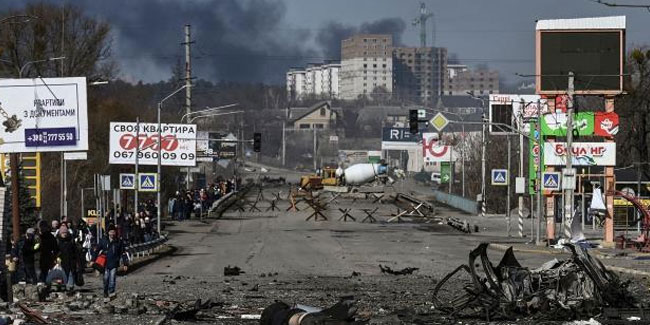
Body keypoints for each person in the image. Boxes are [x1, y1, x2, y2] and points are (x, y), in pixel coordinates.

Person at [97, 225, 127, 298]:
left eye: (113, 232)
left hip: (114, 263)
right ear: (108, 232)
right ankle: (105, 291)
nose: (112, 233)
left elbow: (123, 253)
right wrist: (93, 260)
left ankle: (111, 292)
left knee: (112, 279)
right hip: (105, 263)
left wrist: (125, 263)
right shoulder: (103, 240)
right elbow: (97, 250)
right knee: (106, 278)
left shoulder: (119, 241)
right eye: (111, 232)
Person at [56, 225, 78, 292]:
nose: (64, 234)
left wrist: (76, 260)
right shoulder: (57, 240)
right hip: (61, 260)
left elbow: (75, 250)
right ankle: (61, 287)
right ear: (60, 233)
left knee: (71, 274)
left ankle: (70, 287)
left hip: (71, 260)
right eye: (63, 233)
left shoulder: (71, 240)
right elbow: (55, 250)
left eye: (65, 232)